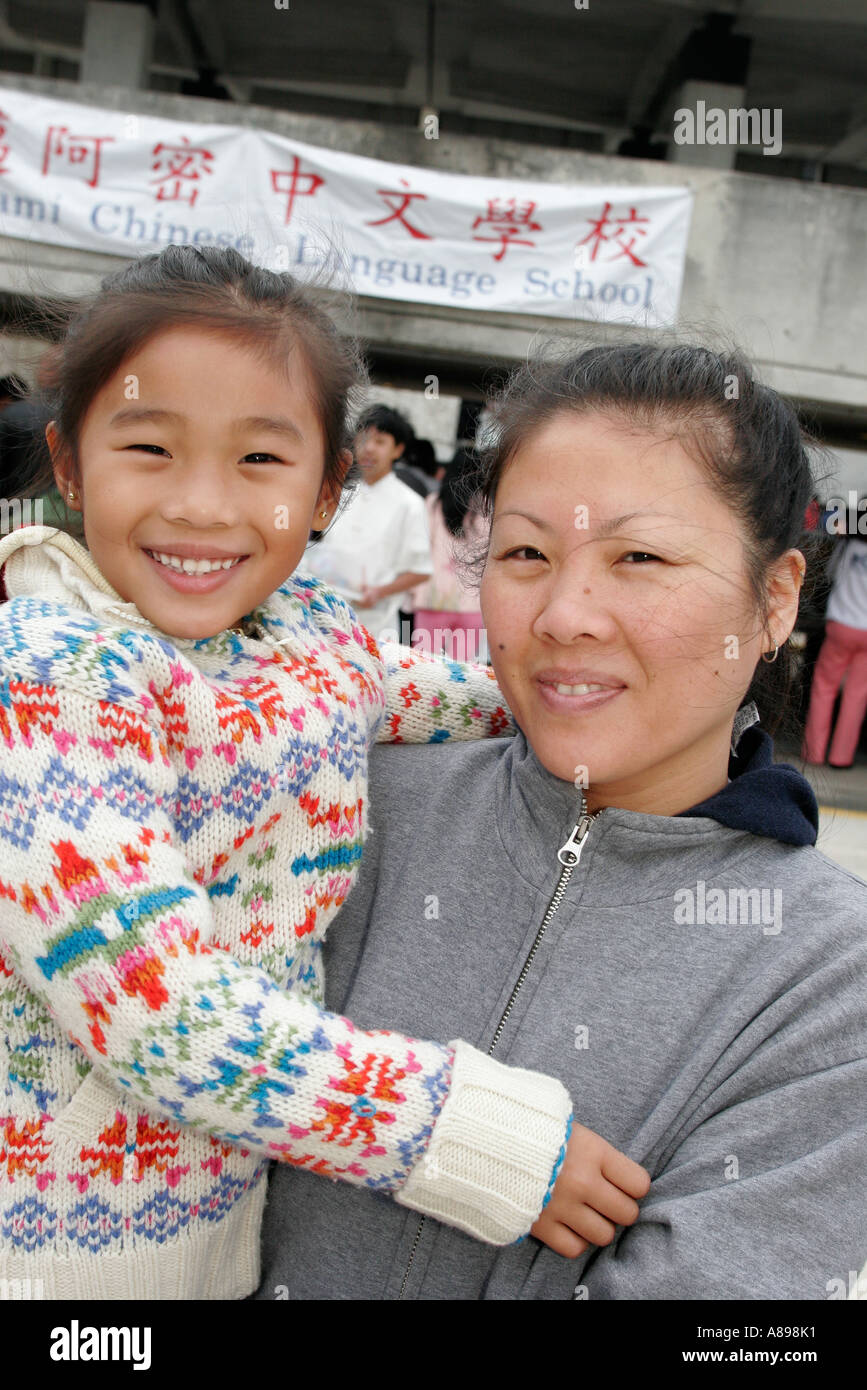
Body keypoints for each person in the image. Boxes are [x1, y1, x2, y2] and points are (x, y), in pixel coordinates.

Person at [0, 246, 649, 1302]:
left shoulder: (306, 639)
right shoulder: (53, 677)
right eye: (151, 448)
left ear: (326, 492)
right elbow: (161, 1016)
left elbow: (473, 699)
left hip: (224, 1252)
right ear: (70, 466)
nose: (203, 506)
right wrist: (476, 1138)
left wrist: (626, 698)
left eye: (259, 460)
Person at [257, 343, 867, 1300]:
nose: (564, 613)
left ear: (775, 597)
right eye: (526, 554)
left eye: (641, 557)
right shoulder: (344, 801)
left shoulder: (831, 977)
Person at [302, 404, 432, 644]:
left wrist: (379, 592)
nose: (369, 448)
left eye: (380, 442)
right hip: (321, 613)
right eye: (364, 439)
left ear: (398, 450)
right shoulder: (338, 491)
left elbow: (421, 571)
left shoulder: (410, 504)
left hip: (374, 624)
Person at [412, 447, 488, 664]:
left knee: (422, 668)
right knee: (460, 673)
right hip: (472, 602)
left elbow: (421, 551)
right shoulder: (489, 509)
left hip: (433, 598)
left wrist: (412, 595)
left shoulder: (433, 504)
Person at [802, 514, 867, 767]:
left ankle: (814, 753)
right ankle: (842, 757)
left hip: (840, 625)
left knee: (824, 687)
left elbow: (831, 576)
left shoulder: (848, 546)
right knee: (857, 694)